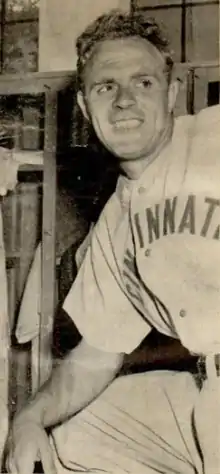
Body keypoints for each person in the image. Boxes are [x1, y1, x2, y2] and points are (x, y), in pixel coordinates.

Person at [6, 9, 220, 474]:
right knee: (70, 437)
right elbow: (99, 353)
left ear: (174, 94)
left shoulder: (212, 138)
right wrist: (28, 419)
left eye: (143, 83)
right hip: (208, 391)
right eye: (107, 88)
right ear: (85, 108)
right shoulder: (115, 224)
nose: (124, 101)